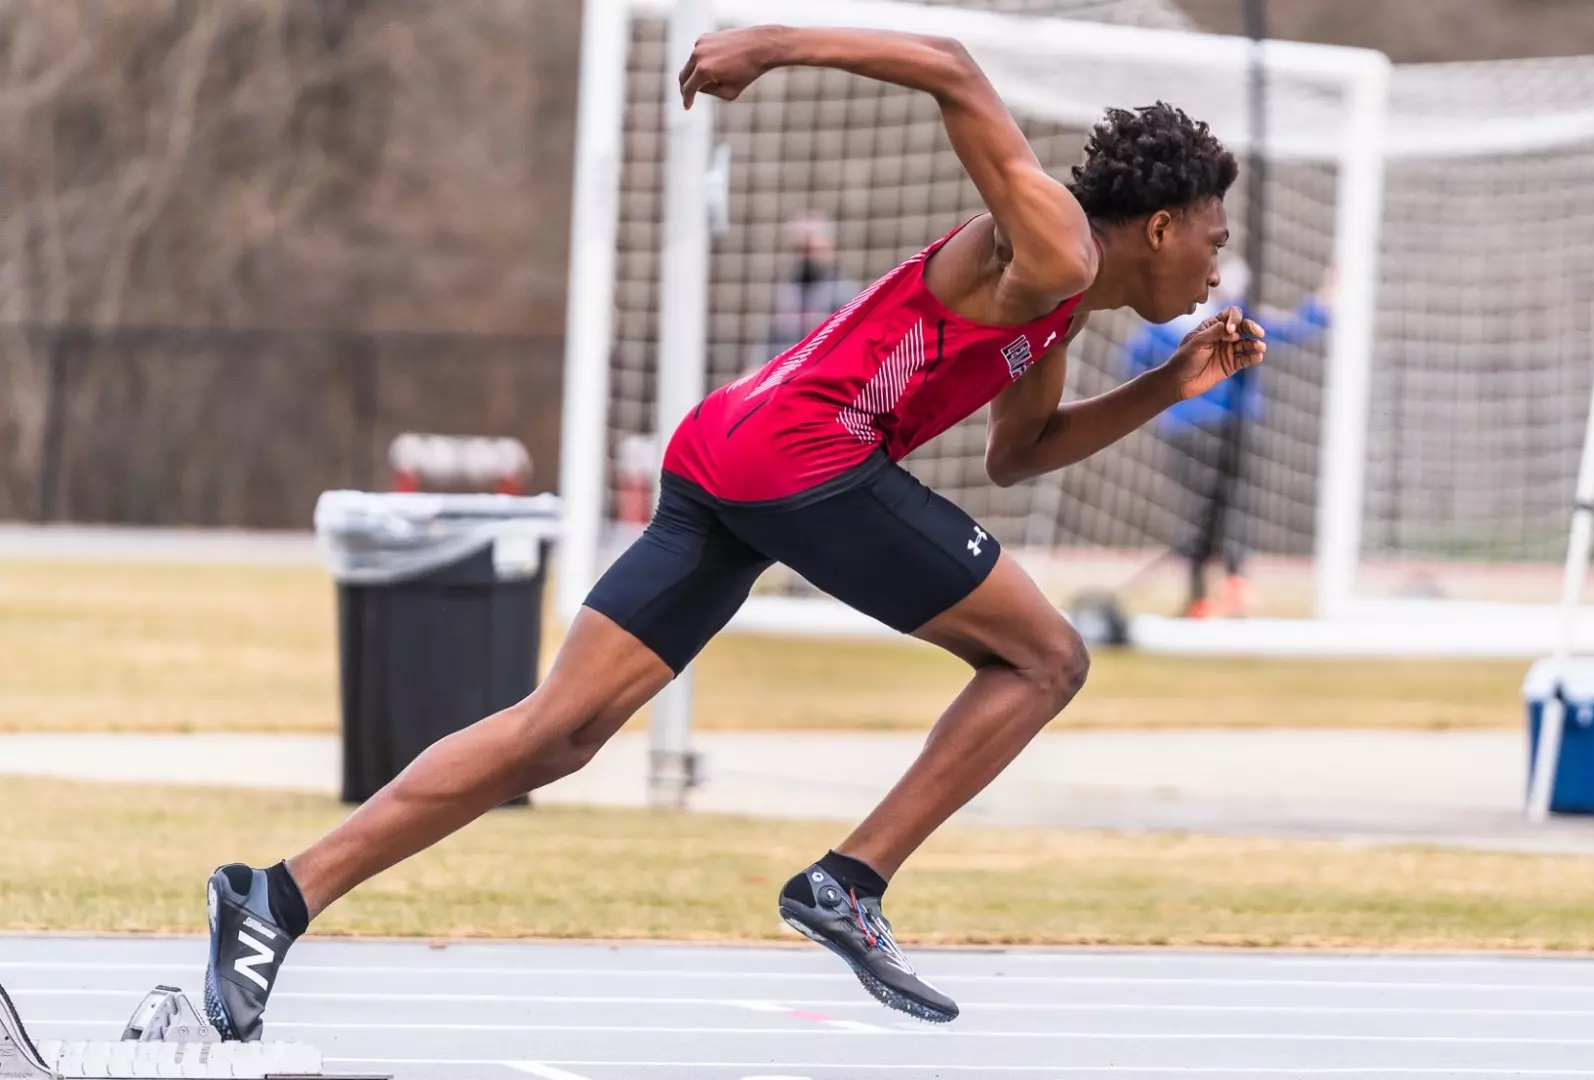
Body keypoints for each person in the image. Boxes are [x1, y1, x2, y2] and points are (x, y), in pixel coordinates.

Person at [199, 22, 1262, 1038]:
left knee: (560, 732)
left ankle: (275, 897)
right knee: (1047, 659)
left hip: (728, 450)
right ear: (1161, 227)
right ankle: (849, 883)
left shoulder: (1062, 301)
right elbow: (950, 65)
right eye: (1214, 242)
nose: (1217, 270)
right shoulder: (1059, 245)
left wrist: (1170, 385)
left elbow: (1017, 453)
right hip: (805, 457)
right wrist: (773, 43)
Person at [1123, 255, 1332, 617]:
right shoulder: (1227, 322)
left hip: (1197, 427)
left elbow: (1132, 366)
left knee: (1205, 511)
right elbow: (1294, 328)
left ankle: (1206, 594)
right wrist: (1327, 297)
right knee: (1227, 508)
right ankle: (1219, 589)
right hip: (1216, 426)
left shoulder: (1167, 324)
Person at [759, 213, 861, 363]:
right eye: (799, 249)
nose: (805, 256)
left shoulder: (844, 293)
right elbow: (768, 343)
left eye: (810, 249)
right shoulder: (787, 291)